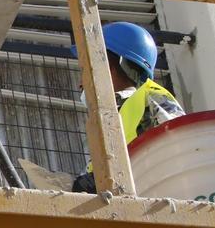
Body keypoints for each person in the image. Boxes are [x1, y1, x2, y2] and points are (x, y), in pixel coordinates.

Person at [71, 22, 185, 193]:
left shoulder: (151, 96)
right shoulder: (109, 117)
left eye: (85, 71)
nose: (80, 84)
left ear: (106, 68)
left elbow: (180, 152)